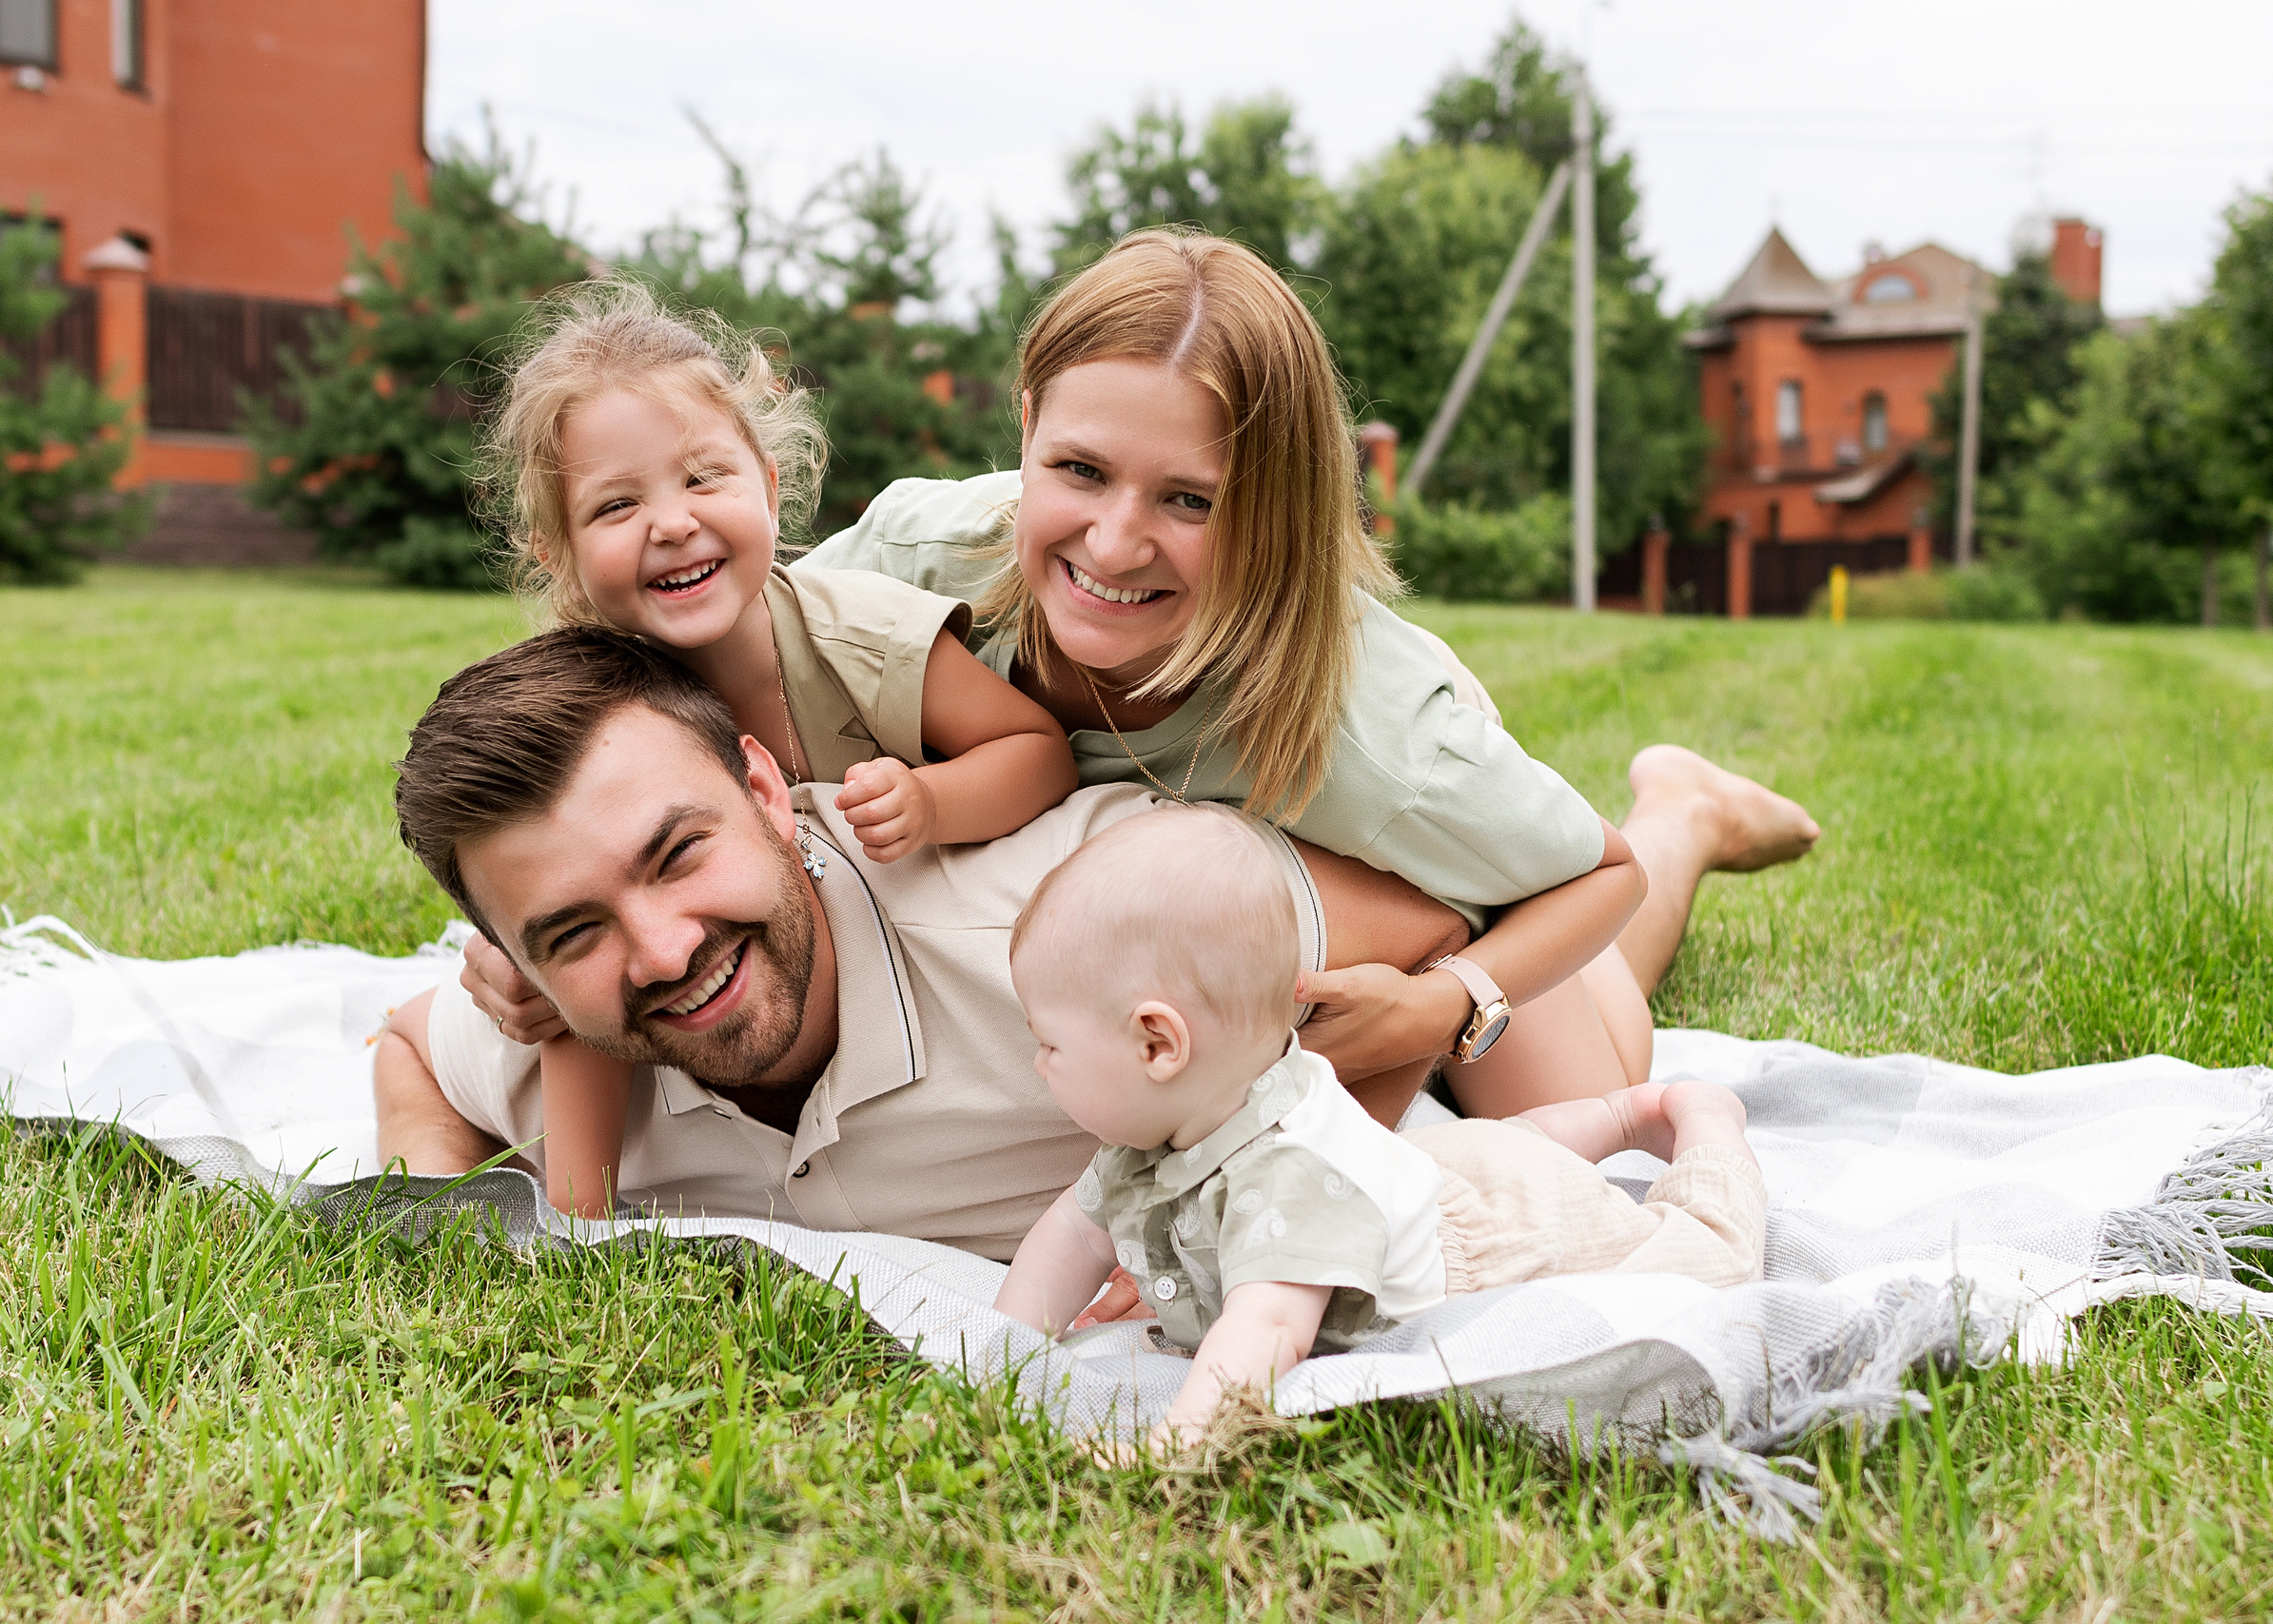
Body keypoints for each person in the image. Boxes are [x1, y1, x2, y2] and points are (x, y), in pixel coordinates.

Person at [794, 227, 1823, 1125]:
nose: (1112, 544)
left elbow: (1596, 878)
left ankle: (1684, 813)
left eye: (1189, 501)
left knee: (1584, 1107)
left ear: (1273, 506)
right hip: (1311, 894)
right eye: (1078, 470)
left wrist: (1449, 1000)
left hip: (1439, 860)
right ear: (1026, 427)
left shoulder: (1369, 740)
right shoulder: (923, 561)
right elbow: (749, 642)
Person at [375, 626, 1475, 1254]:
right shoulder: (568, 1053)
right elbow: (411, 1049)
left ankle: (1661, 810)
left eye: (676, 855)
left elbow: (1428, 916)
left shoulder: (1075, 913)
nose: (662, 952)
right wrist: (436, 1198)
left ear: (767, 790)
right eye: (572, 931)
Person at [476, 282, 1078, 1215]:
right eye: (614, 506)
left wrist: (932, 803)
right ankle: (579, 1214)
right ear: (556, 554)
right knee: (578, 942)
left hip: (909, 984)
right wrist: (519, 959)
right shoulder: (590, 703)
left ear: (769, 479)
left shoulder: (857, 633)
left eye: (702, 477)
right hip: (717, 987)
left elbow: (1035, 750)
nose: (670, 521)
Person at [992, 808, 1765, 1454]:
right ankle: (1617, 1115)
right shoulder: (1152, 1135)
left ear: (1159, 1044)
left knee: (1698, 1255)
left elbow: (1268, 1325)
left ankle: (1696, 1121)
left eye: (1050, 1044)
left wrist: (1182, 1437)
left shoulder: (1285, 1171)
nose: (1038, 1063)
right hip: (1412, 1180)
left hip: (1490, 1247)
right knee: (1494, 1151)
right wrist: (1002, 1353)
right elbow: (1073, 1234)